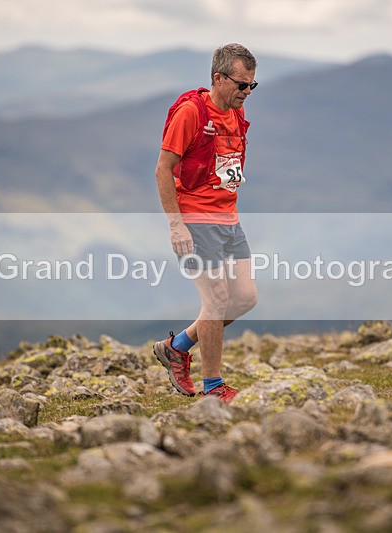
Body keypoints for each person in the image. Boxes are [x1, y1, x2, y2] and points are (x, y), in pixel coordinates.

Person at [153, 43, 259, 403]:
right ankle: (214, 388)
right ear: (218, 77)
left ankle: (177, 346)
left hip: (228, 220)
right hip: (195, 220)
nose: (246, 92)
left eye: (252, 86)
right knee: (215, 300)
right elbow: (163, 169)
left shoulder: (236, 115)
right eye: (241, 85)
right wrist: (175, 225)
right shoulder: (191, 113)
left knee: (244, 299)